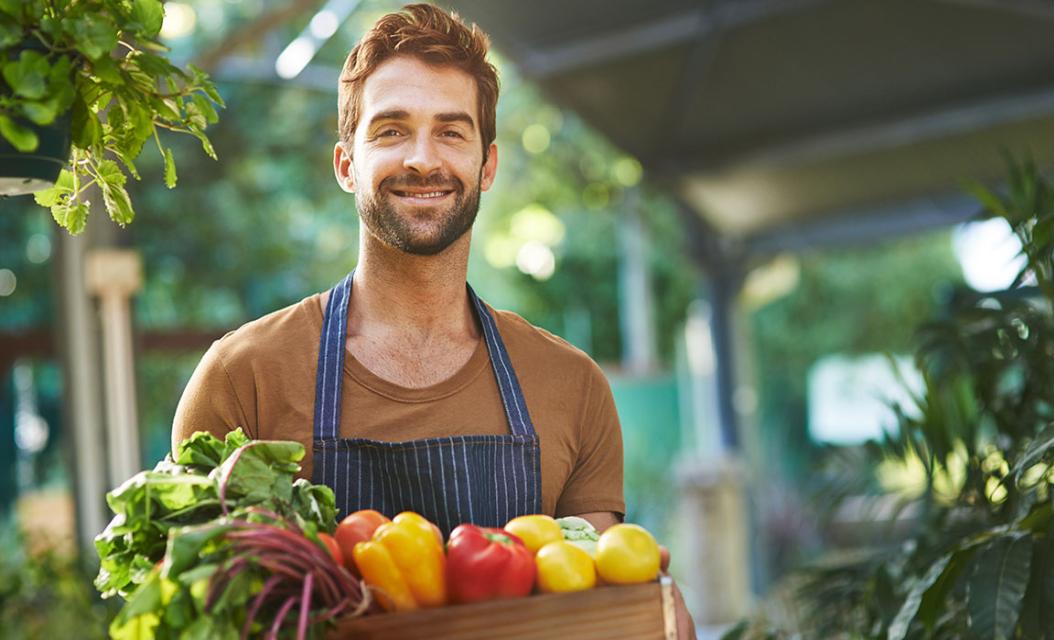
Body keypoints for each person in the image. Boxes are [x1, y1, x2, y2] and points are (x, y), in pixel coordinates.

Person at [173, 4, 694, 636]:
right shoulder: (242, 378)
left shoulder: (570, 386)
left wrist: (654, 607)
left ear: (487, 166)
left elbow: (597, 611)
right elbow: (199, 612)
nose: (423, 159)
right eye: (391, 131)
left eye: (451, 131)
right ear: (345, 164)